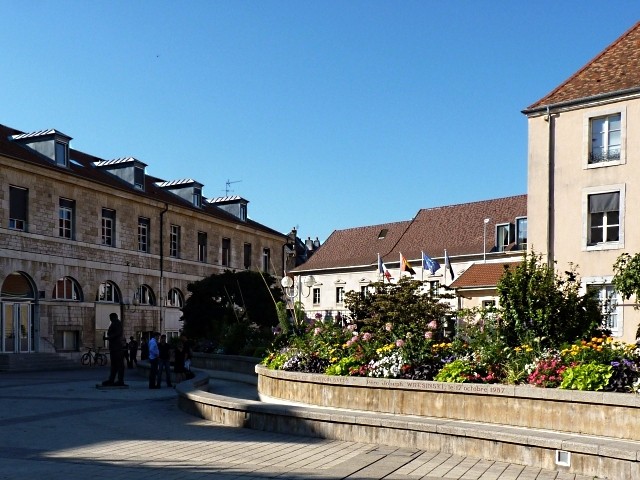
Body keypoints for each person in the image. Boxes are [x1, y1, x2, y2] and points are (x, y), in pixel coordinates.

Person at [102, 313, 126, 387]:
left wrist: (108, 338)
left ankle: (120, 380)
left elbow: (117, 334)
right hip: (114, 347)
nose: (110, 319)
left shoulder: (117, 323)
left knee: (119, 365)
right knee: (114, 365)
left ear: (114, 317)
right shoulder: (114, 323)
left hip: (117, 347)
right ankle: (111, 380)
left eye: (111, 317)